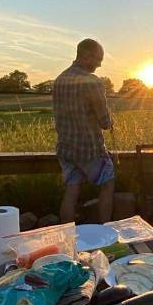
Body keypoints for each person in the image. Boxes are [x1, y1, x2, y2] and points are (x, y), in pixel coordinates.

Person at [53, 38, 114, 224]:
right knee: (108, 184)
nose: (99, 64)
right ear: (86, 56)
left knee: (72, 191)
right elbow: (104, 122)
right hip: (89, 150)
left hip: (66, 149)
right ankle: (105, 233)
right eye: (98, 59)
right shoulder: (92, 82)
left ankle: (68, 237)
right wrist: (110, 121)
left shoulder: (59, 80)